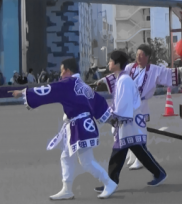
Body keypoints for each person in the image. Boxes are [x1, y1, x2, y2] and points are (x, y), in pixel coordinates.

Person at [10, 58, 117, 200]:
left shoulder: (68, 84)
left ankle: (108, 183)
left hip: (79, 126)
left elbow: (49, 89)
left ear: (67, 70)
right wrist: (111, 119)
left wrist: (24, 93)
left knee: (86, 161)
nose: (60, 75)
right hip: (79, 125)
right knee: (66, 156)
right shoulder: (83, 85)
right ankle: (67, 189)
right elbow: (98, 102)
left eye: (61, 71)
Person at [97, 44, 182, 170]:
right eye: (137, 55)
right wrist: (103, 80)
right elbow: (117, 74)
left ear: (148, 57)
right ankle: (132, 156)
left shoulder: (154, 70)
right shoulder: (130, 67)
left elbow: (168, 73)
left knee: (139, 131)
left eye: (141, 55)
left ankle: (140, 159)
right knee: (128, 130)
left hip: (142, 104)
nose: (138, 58)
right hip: (130, 104)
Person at [94, 50, 167, 194]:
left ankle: (111, 182)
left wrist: (112, 116)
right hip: (128, 122)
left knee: (121, 152)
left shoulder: (124, 81)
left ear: (117, 63)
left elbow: (123, 105)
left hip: (128, 122)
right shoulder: (121, 79)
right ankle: (158, 173)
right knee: (135, 151)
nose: (108, 63)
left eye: (110, 60)